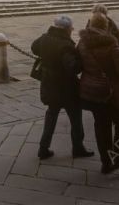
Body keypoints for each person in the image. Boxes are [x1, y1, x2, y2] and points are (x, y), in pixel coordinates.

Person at [31, 15, 94, 160]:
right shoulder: (66, 45)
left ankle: (43, 148)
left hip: (49, 85)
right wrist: (80, 61)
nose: (72, 31)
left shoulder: (44, 38)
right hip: (67, 88)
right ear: (67, 29)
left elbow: (34, 48)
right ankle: (78, 147)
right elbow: (73, 67)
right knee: (76, 118)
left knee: (51, 116)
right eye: (71, 29)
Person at [77, 12, 119, 174]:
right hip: (111, 92)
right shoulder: (111, 43)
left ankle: (106, 163)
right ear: (106, 26)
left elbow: (78, 64)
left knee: (101, 126)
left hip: (92, 92)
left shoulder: (82, 43)